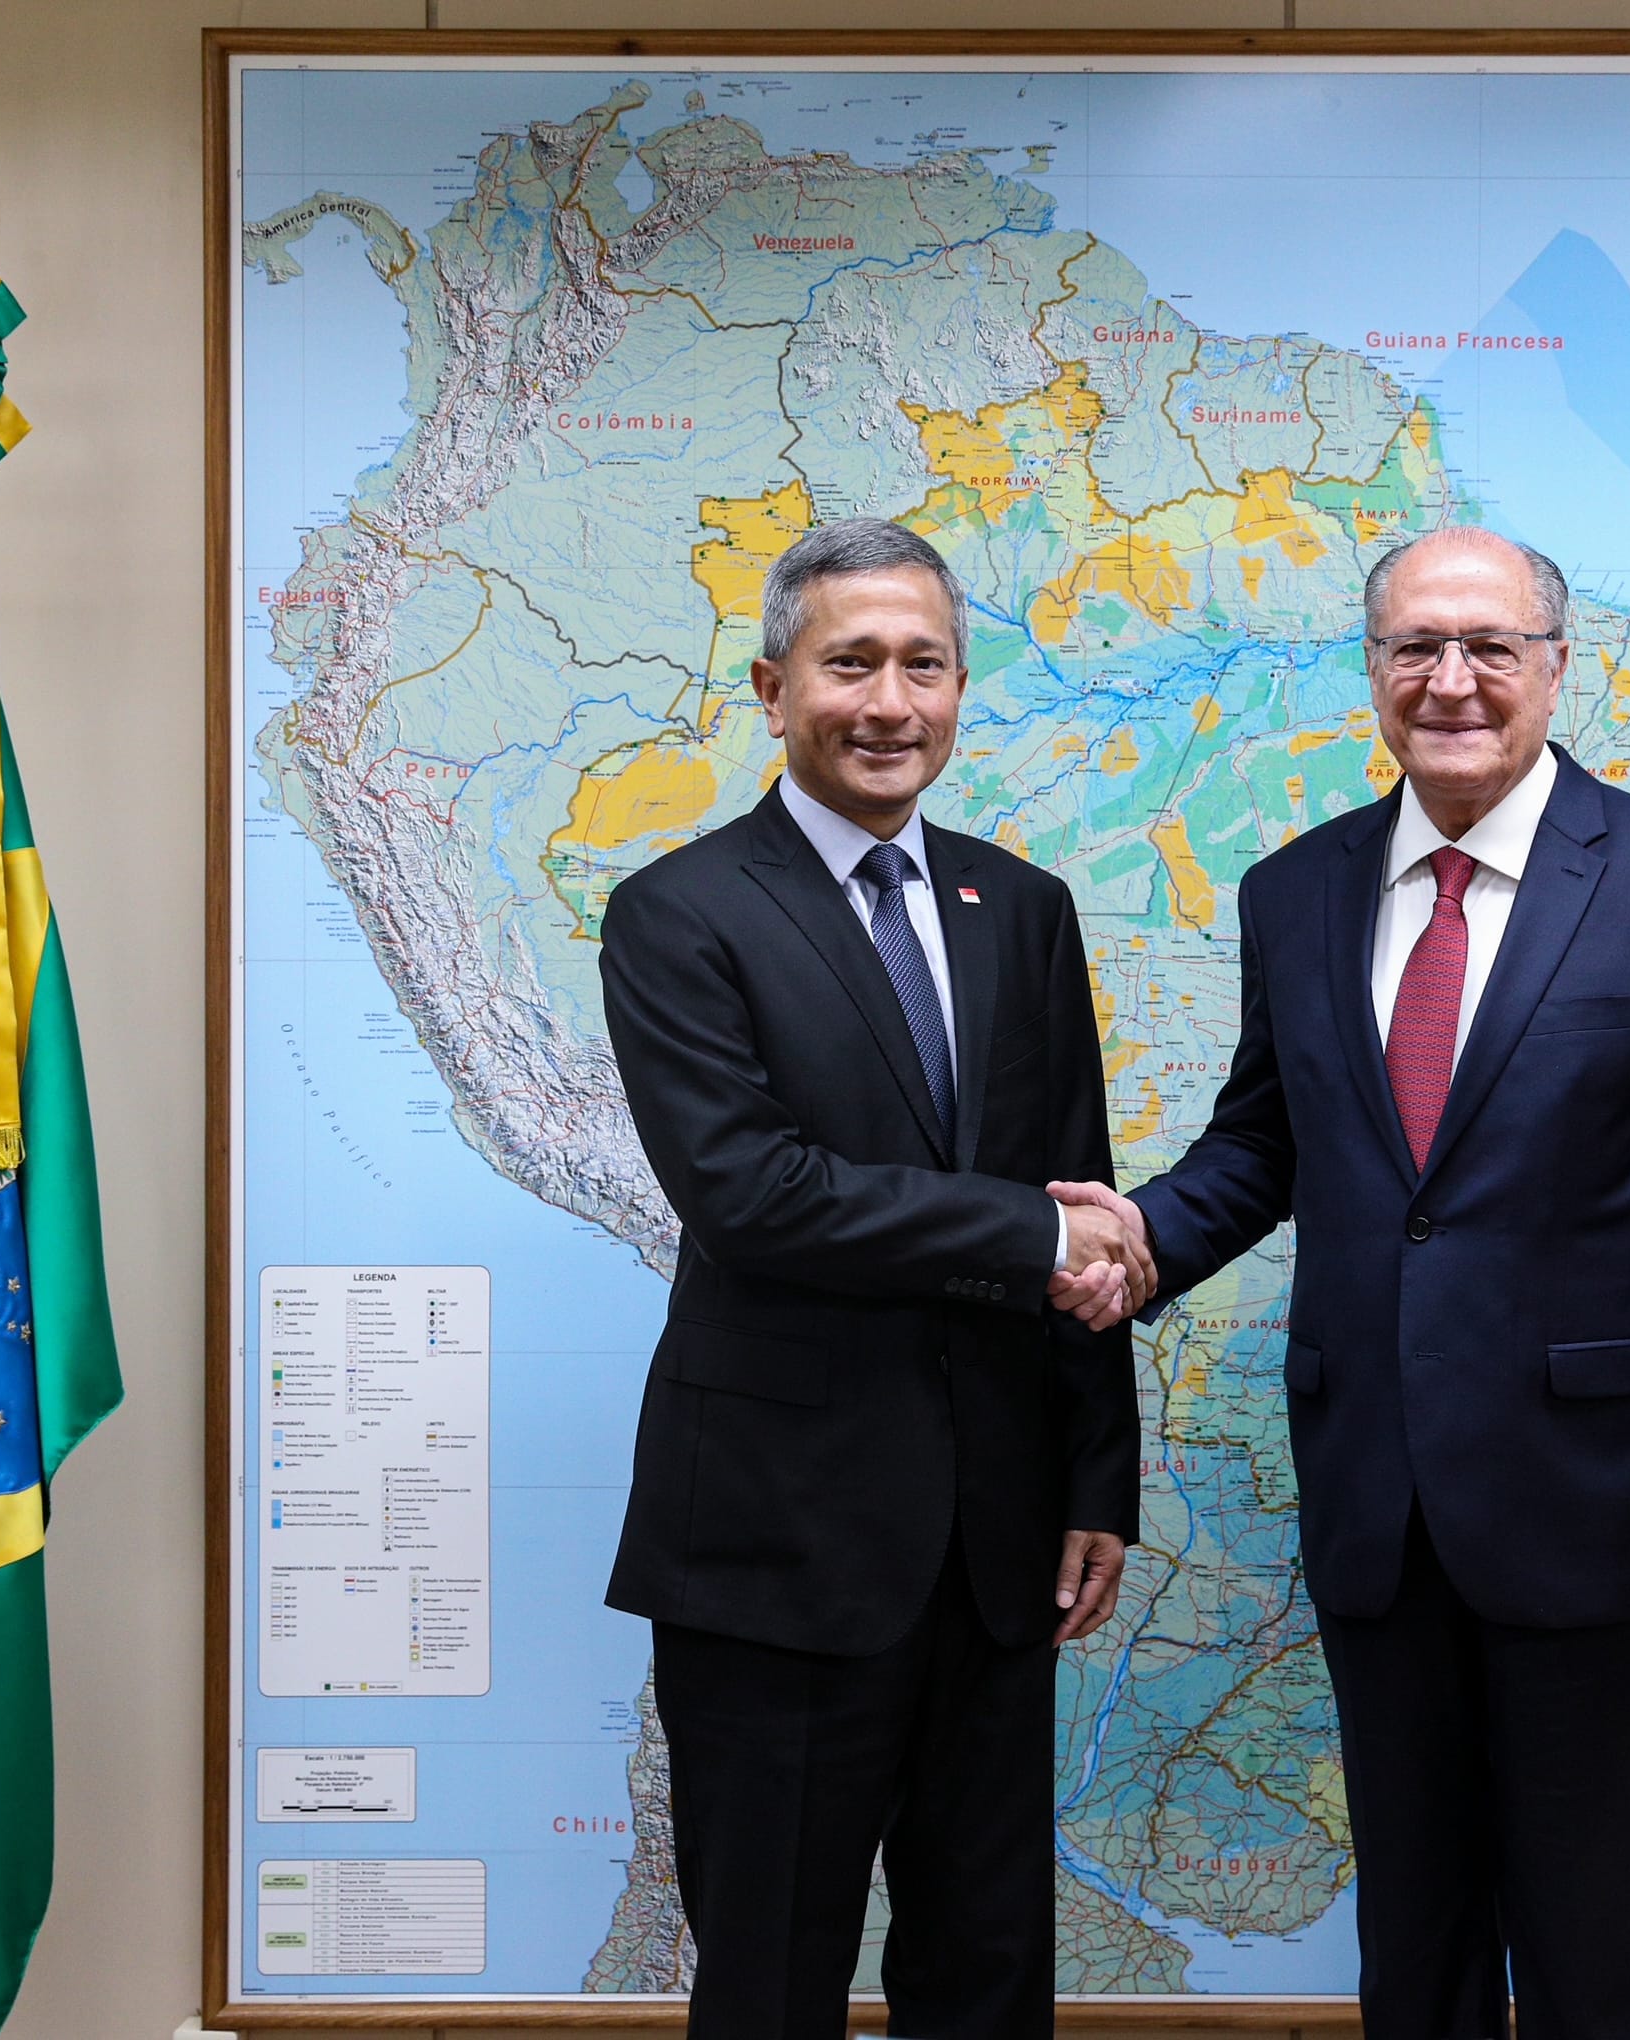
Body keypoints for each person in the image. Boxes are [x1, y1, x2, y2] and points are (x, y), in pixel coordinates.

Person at [1054, 526, 1630, 2038]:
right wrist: (1134, 1240)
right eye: (1415, 648)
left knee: (1589, 1950)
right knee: (1415, 1953)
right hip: (1374, 1502)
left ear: (1552, 667)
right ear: (1373, 671)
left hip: (1594, 1501)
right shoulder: (1296, 892)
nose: (1450, 681)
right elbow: (1262, 1145)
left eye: (1487, 648)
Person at [598, 517, 1154, 2040]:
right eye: (850, 664)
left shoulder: (1019, 908)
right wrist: (1033, 1239)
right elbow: (752, 1195)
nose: (888, 702)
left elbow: (1082, 1198)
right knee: (772, 1980)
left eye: (923, 665)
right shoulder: (679, 913)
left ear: (961, 689)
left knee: (986, 1981)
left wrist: (1095, 1478)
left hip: (996, 1552)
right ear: (772, 690)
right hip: (776, 1547)